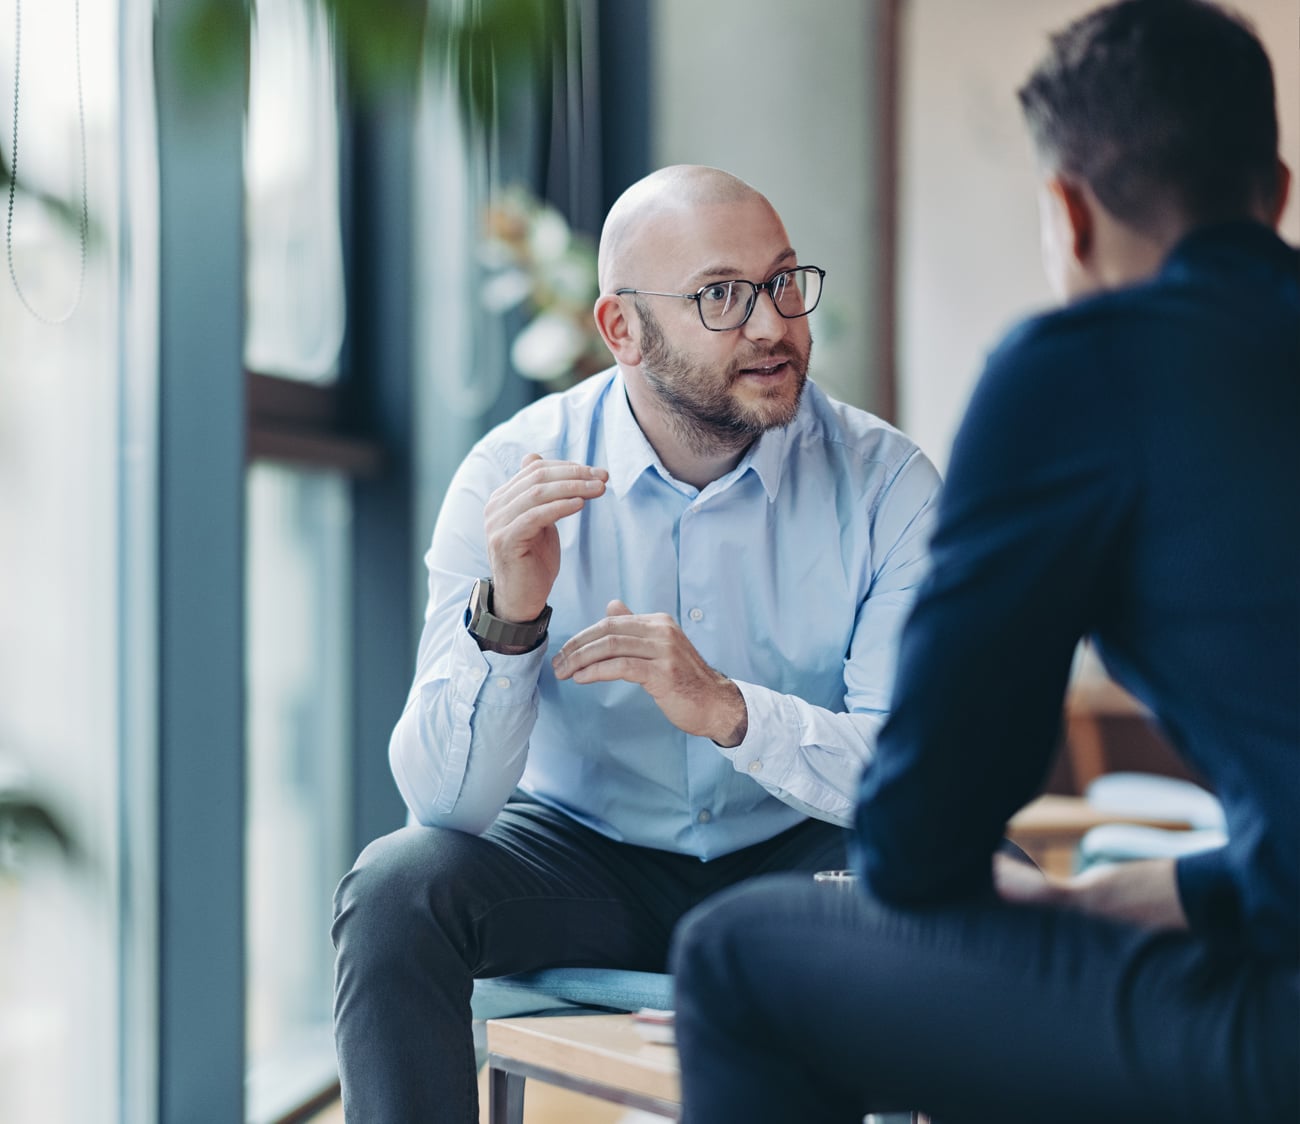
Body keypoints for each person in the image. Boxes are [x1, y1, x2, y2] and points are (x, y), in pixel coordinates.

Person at [671, 3, 1299, 1122]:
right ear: (1278, 191)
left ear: (1066, 209)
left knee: (733, 956)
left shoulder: (1082, 366)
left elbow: (919, 843)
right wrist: (1135, 897)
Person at [330, 164, 942, 1122]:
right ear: (621, 328)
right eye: (721, 297)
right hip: (584, 858)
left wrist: (732, 713)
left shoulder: (887, 485)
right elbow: (444, 804)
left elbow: (911, 776)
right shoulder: (508, 474)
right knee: (398, 891)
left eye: (784, 282)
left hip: (796, 859)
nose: (774, 324)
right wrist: (510, 618)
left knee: (991, 894)